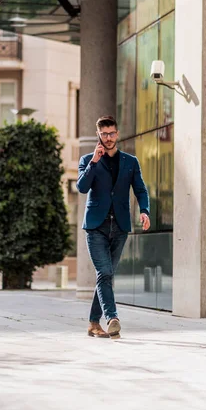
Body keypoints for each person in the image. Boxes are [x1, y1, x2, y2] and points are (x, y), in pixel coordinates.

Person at [76, 115, 150, 339]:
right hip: (96, 226)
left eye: (112, 133)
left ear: (117, 134)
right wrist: (93, 163)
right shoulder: (88, 159)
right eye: (104, 134)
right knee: (105, 272)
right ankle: (112, 318)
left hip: (119, 225)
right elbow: (81, 186)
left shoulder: (130, 162)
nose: (108, 138)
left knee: (105, 276)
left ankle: (92, 324)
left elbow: (141, 190)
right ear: (98, 135)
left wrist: (144, 210)